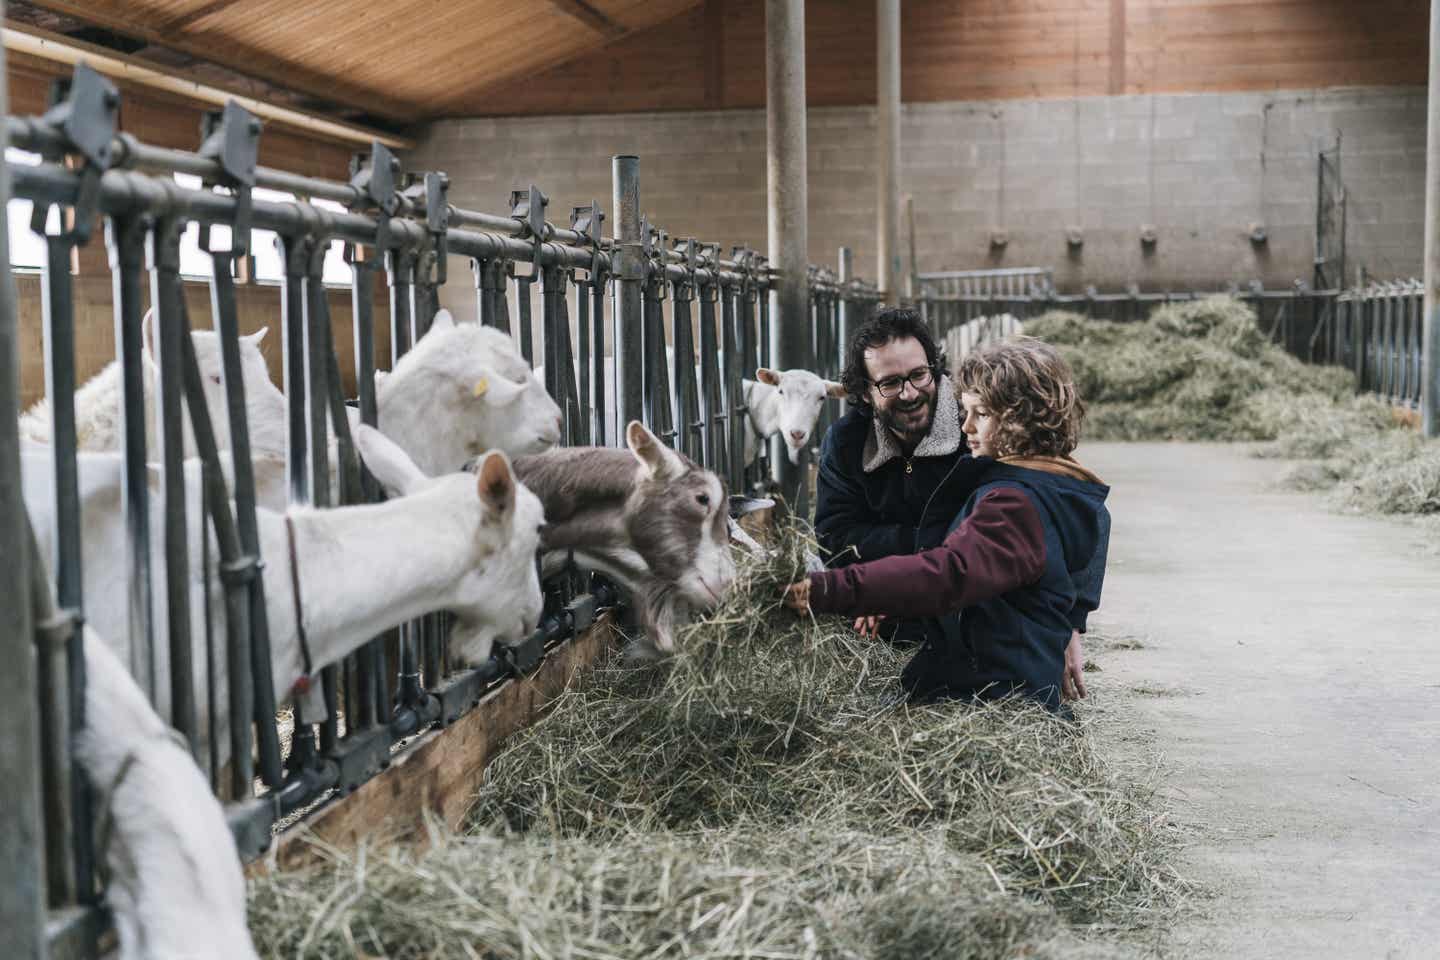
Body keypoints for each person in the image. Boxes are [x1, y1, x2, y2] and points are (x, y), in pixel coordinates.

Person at [785, 337, 1109, 711]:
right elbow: (981, 584)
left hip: (993, 698)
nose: (966, 425)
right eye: (964, 411)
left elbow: (947, 574)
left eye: (981, 414)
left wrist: (829, 590)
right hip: (997, 678)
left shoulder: (1014, 503)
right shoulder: (1046, 483)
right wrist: (891, 599)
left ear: (1022, 417)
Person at [813, 307, 983, 646]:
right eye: (890, 383)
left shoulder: (976, 428)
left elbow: (1002, 532)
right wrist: (880, 586)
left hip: (970, 603)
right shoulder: (846, 442)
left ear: (935, 369)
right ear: (863, 392)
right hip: (877, 620)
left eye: (919, 375)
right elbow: (835, 537)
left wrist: (1069, 621)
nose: (909, 394)